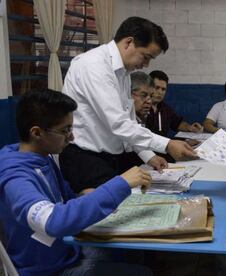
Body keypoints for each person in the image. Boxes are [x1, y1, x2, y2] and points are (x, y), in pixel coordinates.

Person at [0, 89, 152, 275]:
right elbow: (52, 221)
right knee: (141, 272)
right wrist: (120, 184)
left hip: (67, 251)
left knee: (130, 252)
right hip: (48, 269)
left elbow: (65, 199)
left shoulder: (42, 158)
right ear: (37, 133)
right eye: (65, 131)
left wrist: (84, 195)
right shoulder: (15, 178)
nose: (71, 137)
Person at [59, 17, 197, 194]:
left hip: (108, 158)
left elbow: (129, 122)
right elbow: (119, 124)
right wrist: (168, 144)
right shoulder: (93, 66)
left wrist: (149, 156)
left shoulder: (123, 73)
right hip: (85, 158)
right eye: (146, 57)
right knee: (113, 213)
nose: (146, 65)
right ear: (129, 42)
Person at [146, 70, 203, 138]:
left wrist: (190, 128)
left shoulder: (165, 109)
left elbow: (177, 123)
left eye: (163, 89)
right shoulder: (141, 108)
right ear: (148, 87)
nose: (160, 92)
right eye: (157, 88)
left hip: (162, 147)